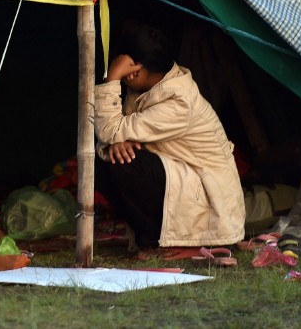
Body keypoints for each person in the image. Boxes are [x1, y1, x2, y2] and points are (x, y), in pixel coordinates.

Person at [93, 21, 245, 251]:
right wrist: (118, 141)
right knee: (105, 162)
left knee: (126, 165)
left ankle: (156, 240)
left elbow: (110, 130)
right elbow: (115, 133)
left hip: (209, 200)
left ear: (134, 71)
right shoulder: (147, 89)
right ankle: (153, 240)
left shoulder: (180, 101)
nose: (123, 77)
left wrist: (112, 77)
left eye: (124, 70)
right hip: (184, 180)